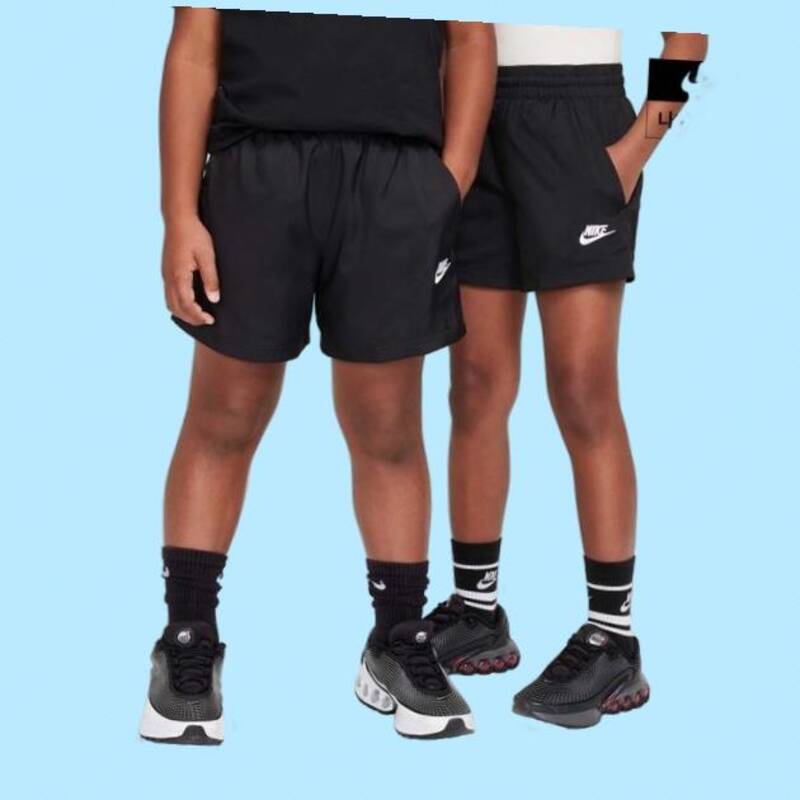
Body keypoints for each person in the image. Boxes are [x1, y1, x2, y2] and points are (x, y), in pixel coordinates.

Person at [139, 8, 496, 744]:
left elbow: (469, 35)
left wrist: (451, 180)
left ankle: (398, 638)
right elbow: (195, 43)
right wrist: (178, 213)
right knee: (225, 414)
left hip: (395, 171)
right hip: (257, 163)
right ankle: (187, 640)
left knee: (388, 425)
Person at [427, 26, 708, 727]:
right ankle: (476, 611)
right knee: (475, 385)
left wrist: (637, 146)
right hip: (470, 110)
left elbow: (691, 29)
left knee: (583, 391)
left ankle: (613, 637)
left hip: (577, 116)